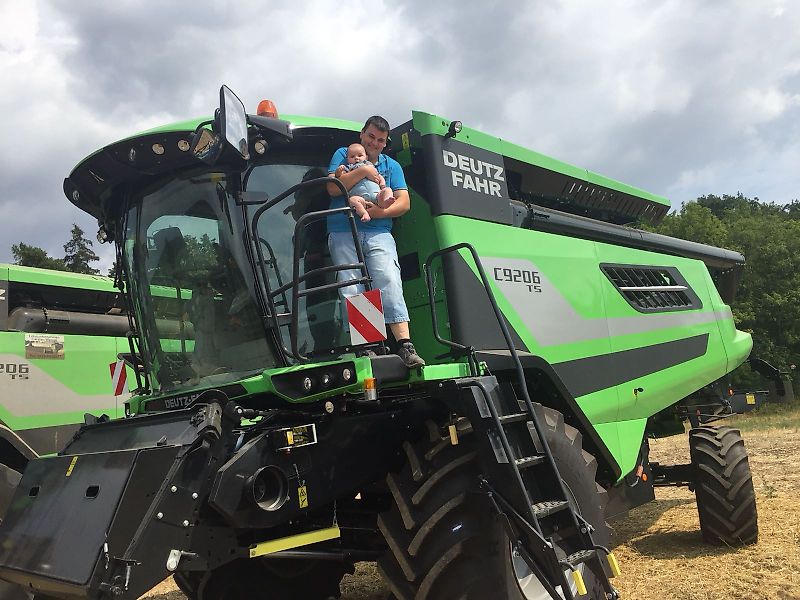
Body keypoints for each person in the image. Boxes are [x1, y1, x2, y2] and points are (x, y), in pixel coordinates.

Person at [326, 116, 425, 368]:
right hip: (343, 229)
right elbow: (333, 188)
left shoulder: (392, 167)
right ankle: (367, 347)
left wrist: (377, 212)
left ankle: (404, 345)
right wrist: (365, 171)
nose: (375, 143)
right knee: (352, 282)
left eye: (380, 140)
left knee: (388, 277)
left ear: (385, 143)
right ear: (362, 134)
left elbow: (404, 203)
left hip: (379, 231)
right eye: (371, 136)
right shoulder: (343, 153)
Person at [335, 143, 395, 222]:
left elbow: (379, 176)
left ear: (366, 157)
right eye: (352, 157)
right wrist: (338, 172)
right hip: (360, 199)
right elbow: (339, 179)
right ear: (347, 159)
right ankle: (364, 213)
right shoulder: (348, 169)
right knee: (352, 200)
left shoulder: (371, 166)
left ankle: (385, 201)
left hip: (376, 195)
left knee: (388, 190)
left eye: (360, 155)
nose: (356, 158)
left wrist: (382, 185)